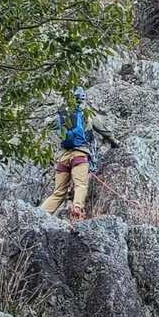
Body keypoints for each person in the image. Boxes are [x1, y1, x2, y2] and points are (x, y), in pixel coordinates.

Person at [40, 87, 110, 219]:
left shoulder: (62, 115)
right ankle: (77, 208)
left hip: (63, 157)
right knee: (80, 185)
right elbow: (105, 131)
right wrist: (115, 142)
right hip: (80, 155)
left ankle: (39, 214)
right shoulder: (87, 114)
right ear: (83, 98)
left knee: (58, 192)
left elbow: (47, 124)